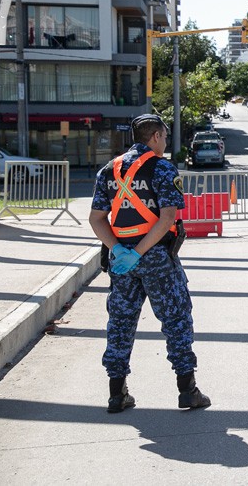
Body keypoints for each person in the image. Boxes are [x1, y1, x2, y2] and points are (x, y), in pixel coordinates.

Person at [88, 114, 211, 413]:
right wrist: (141, 251)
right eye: (165, 137)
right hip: (156, 258)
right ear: (155, 136)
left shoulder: (109, 171)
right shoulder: (162, 168)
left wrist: (119, 250)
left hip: (122, 264)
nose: (166, 143)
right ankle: (187, 391)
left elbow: (96, 219)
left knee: (120, 322)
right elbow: (168, 218)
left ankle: (117, 394)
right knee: (176, 319)